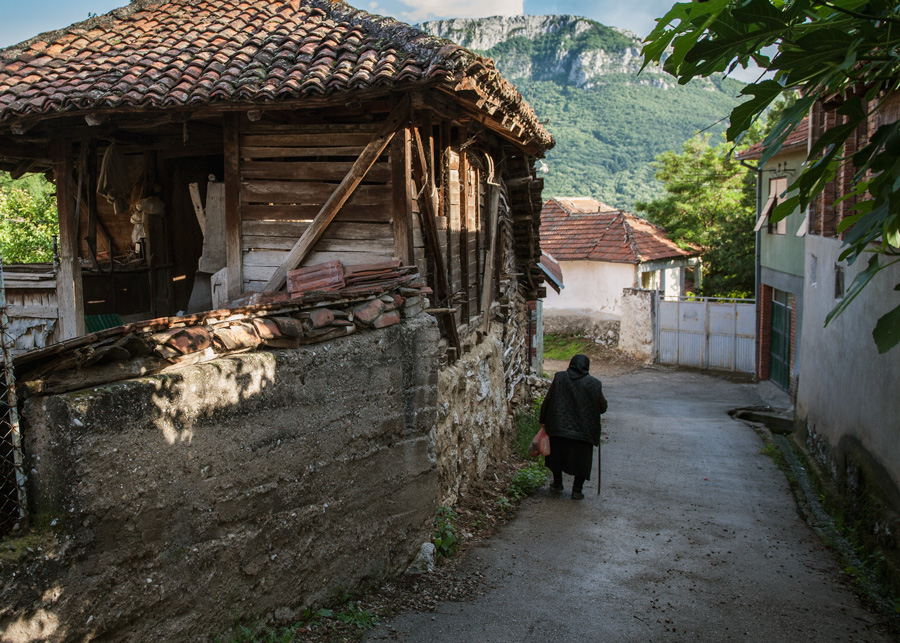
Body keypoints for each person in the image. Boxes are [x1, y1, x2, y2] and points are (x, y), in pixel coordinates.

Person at [539, 354, 608, 499]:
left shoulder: (560, 378)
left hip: (559, 428)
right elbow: (602, 407)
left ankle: (557, 483)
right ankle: (577, 490)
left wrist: (543, 419)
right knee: (582, 461)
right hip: (584, 432)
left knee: (556, 456)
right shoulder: (594, 383)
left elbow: (548, 399)